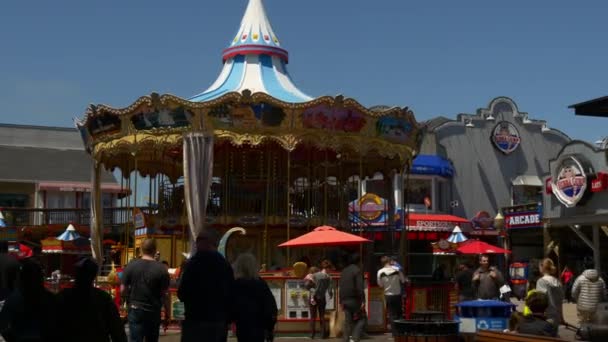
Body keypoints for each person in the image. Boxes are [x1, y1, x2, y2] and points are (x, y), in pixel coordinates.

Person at [178, 229, 234, 342]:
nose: (197, 243)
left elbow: (182, 293)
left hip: (194, 320)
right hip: (217, 321)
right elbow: (230, 294)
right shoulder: (224, 265)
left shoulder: (191, 265)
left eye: (199, 240)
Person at [58, 257, 127, 342]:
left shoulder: (63, 296)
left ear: (76, 274)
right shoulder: (103, 298)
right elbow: (117, 331)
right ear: (94, 276)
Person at [121, 238, 171, 342]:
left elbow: (122, 290)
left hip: (135, 308)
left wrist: (127, 300)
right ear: (155, 249)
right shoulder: (162, 269)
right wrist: (167, 313)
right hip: (153, 310)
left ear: (141, 250)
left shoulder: (131, 266)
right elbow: (165, 294)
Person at [0, 258, 59, 341]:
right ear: (41, 278)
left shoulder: (14, 299)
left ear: (21, 279)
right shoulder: (50, 298)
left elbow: (2, 323)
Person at [232, 253, 277, 342]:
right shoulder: (260, 283)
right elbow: (270, 307)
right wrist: (270, 328)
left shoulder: (235, 284)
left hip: (242, 325)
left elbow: (231, 307)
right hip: (259, 326)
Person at [339, 253, 365, 342]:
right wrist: (363, 301)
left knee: (348, 321)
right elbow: (360, 287)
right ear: (359, 261)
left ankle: (345, 339)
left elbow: (340, 286)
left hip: (344, 299)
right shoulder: (357, 270)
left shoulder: (344, 271)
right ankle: (355, 338)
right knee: (362, 319)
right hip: (354, 299)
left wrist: (340, 301)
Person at [377, 256, 405, 338]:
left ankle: (394, 333)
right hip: (398, 294)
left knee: (391, 314)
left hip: (388, 295)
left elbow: (380, 285)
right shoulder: (397, 270)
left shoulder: (380, 272)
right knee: (399, 314)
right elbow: (403, 280)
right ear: (389, 261)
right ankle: (401, 332)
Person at [572, 259, 607, 325]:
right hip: (596, 308)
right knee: (595, 326)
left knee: (583, 325)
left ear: (584, 266)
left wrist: (578, 300)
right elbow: (604, 294)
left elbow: (574, 292)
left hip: (582, 307)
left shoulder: (580, 278)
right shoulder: (600, 280)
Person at [534, 258, 564, 328]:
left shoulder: (541, 281)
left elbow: (540, 300)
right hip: (556, 316)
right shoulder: (557, 282)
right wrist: (562, 318)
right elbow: (560, 301)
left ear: (542, 267)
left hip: (546, 315)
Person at [308, 260, 333, 339]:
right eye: (330, 268)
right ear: (327, 268)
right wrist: (330, 294)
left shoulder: (314, 275)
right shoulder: (329, 277)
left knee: (313, 317)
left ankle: (312, 334)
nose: (330, 270)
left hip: (313, 297)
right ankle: (322, 334)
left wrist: (313, 292)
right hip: (322, 298)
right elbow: (329, 290)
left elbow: (308, 286)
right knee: (322, 316)